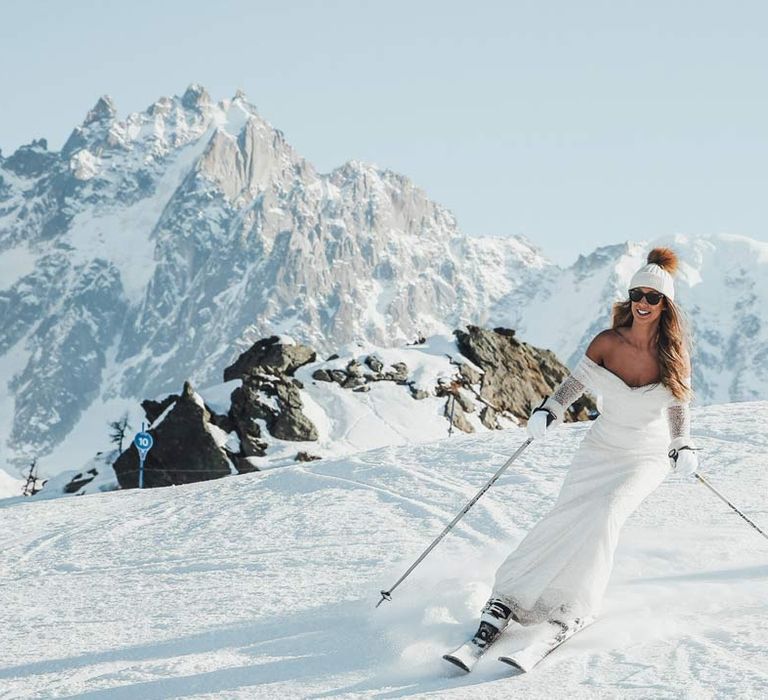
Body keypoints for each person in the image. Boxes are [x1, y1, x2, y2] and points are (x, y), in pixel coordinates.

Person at [448, 247, 698, 668]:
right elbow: (575, 383)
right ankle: (506, 599)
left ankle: (572, 607)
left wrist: (683, 443)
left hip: (645, 456)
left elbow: (677, 407)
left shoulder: (672, 355)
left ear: (666, 305)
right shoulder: (607, 342)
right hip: (600, 447)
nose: (643, 303)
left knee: (605, 513)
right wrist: (549, 410)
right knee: (565, 515)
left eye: (652, 297)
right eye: (637, 293)